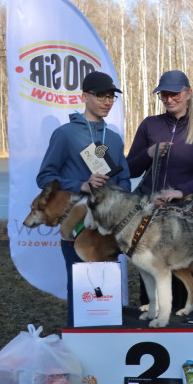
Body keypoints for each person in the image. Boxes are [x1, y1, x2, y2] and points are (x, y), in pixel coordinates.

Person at [36, 71, 131, 327]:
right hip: (77, 228)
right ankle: (76, 353)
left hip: (109, 228)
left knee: (106, 292)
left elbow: (125, 180)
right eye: (101, 95)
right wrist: (81, 185)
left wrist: (119, 199)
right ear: (85, 96)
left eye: (111, 96)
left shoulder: (112, 137)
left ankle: (107, 349)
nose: (107, 101)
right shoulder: (65, 134)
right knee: (82, 292)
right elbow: (45, 177)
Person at [126, 70, 193, 311]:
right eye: (163, 94)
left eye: (174, 93)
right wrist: (149, 154)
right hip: (150, 213)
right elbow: (130, 169)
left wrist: (180, 191)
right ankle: (150, 313)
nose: (168, 99)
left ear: (188, 93)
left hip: (182, 213)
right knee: (149, 266)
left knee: (180, 269)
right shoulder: (149, 125)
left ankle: (180, 318)